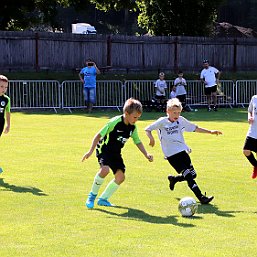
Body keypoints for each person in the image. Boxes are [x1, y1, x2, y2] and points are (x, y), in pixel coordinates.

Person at [145, 98, 222, 204]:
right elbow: (147, 129)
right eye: (174, 112)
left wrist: (210, 132)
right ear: (167, 111)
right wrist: (151, 138)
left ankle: (174, 179)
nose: (176, 115)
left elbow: (195, 128)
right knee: (189, 176)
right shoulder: (162, 121)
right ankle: (201, 197)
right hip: (171, 155)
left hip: (182, 151)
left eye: (178, 112)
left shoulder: (181, 120)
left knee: (193, 174)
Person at [82, 98, 153, 209]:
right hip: (104, 149)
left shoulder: (132, 127)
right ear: (126, 113)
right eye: (135, 117)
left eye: (138, 118)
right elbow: (98, 135)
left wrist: (146, 154)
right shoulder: (114, 122)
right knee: (104, 170)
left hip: (116, 153)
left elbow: (137, 141)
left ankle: (103, 199)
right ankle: (91, 196)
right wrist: (90, 151)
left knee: (120, 177)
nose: (136, 120)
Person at [243, 95, 257, 179]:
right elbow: (250, 110)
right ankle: (256, 166)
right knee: (245, 150)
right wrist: (249, 117)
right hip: (253, 131)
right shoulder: (254, 98)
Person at [0, 75, 11, 174]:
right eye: (1, 86)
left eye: (5, 87)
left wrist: (8, 125)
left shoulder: (6, 99)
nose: (4, 89)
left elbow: (7, 112)